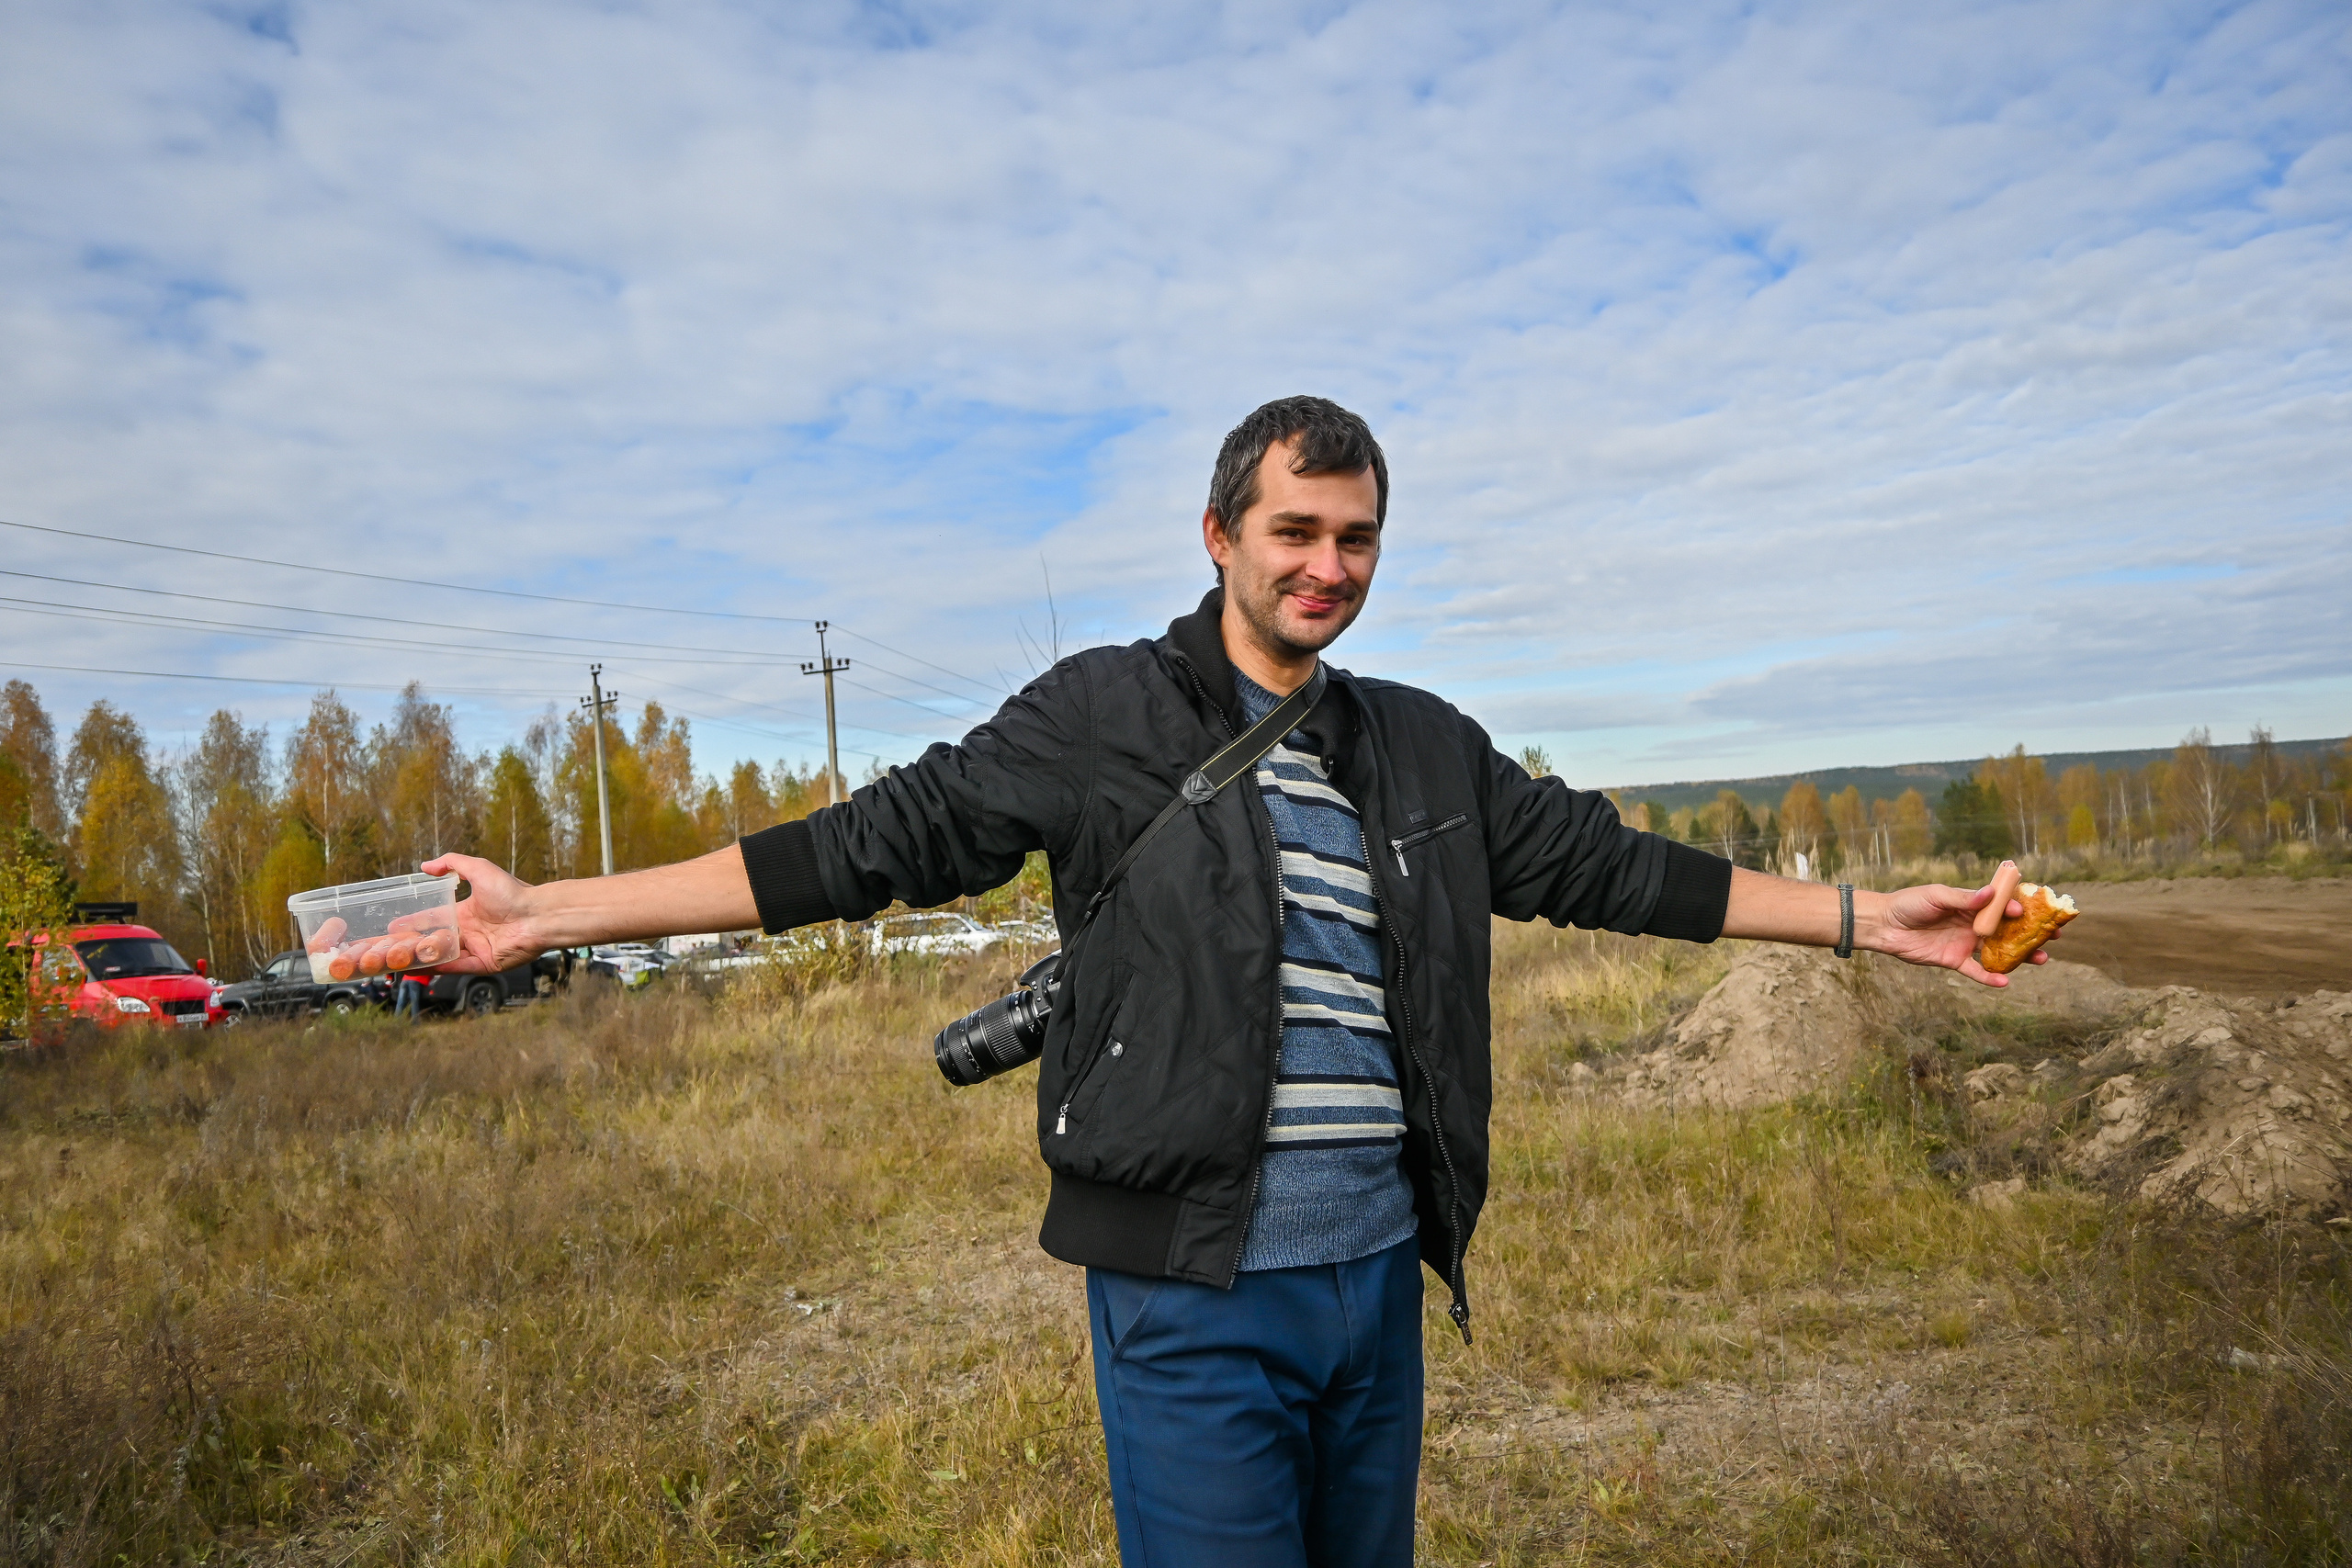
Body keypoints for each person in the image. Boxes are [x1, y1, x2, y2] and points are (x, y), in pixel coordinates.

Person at [418, 396, 2056, 1567]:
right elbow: (863, 846)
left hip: (1378, 1289)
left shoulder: (1420, 744)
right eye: (1295, 531)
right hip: (1194, 1295)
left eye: (1357, 539)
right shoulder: (1102, 716)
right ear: (1219, 535)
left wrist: (1868, 921)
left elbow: (1622, 870)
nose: (1327, 567)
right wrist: (545, 914)